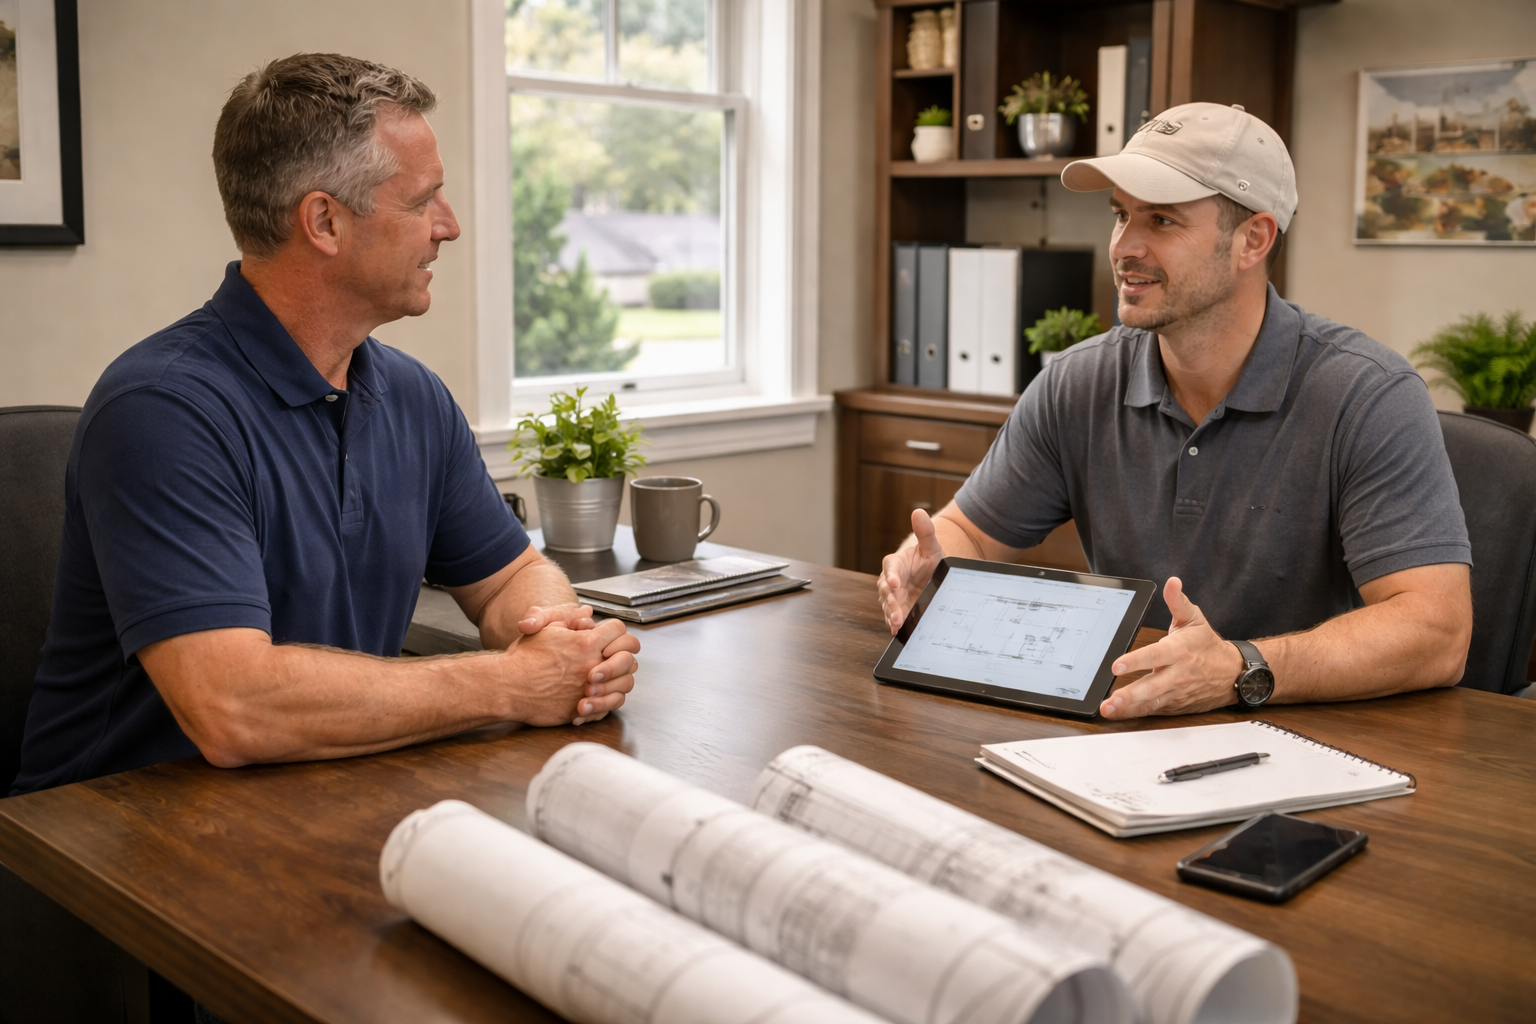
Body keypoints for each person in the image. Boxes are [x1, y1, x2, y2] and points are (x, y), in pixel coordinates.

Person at [11, 53, 639, 795]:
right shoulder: (160, 410)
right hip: (112, 839)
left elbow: (511, 576)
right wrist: (512, 686)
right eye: (423, 201)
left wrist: (559, 641)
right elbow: (234, 707)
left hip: (318, 795)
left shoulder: (413, 398)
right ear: (325, 221)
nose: (451, 227)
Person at [878, 102, 1472, 720]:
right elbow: (968, 532)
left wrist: (1238, 669)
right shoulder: (1076, 383)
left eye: (1161, 220)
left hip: (1311, 742)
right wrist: (933, 575)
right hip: (1128, 725)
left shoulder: (1367, 394)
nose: (1125, 247)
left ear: (1253, 240)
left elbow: (1437, 632)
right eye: (1120, 215)